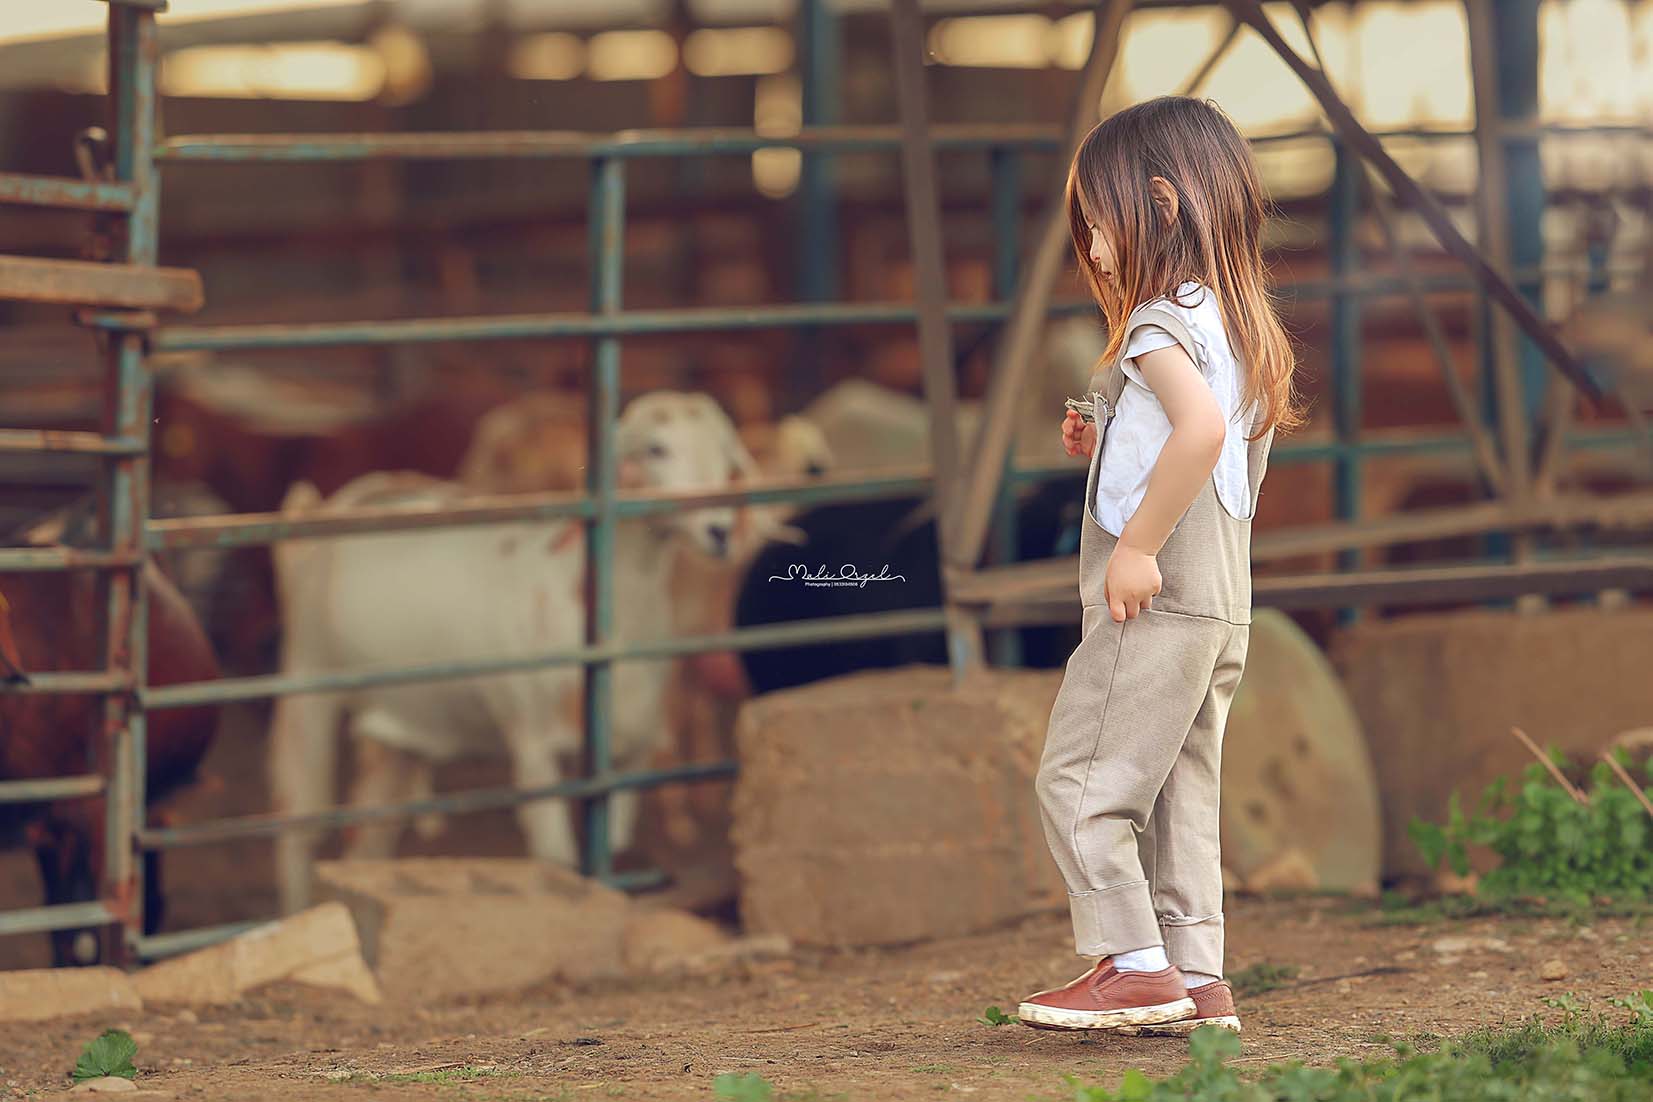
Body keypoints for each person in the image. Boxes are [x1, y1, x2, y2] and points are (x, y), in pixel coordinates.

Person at [1017, 96, 1303, 1035]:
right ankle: (1195, 973)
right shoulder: (1235, 326)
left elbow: (1198, 430)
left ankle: (1133, 967)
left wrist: (1135, 547)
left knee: (1079, 777)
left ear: (1161, 203)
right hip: (1220, 602)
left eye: (1098, 226)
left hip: (1157, 598)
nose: (1093, 251)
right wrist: (1101, 433)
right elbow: (1222, 451)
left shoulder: (1153, 325)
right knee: (1184, 787)